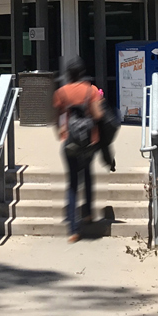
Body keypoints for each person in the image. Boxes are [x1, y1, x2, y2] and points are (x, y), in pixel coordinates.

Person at [53, 57, 103, 243]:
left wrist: (61, 130)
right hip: (89, 141)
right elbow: (98, 115)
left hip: (71, 143)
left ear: (68, 74)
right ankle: (88, 213)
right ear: (82, 73)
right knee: (88, 175)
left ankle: (73, 230)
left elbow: (57, 117)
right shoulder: (91, 90)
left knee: (73, 182)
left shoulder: (61, 92)